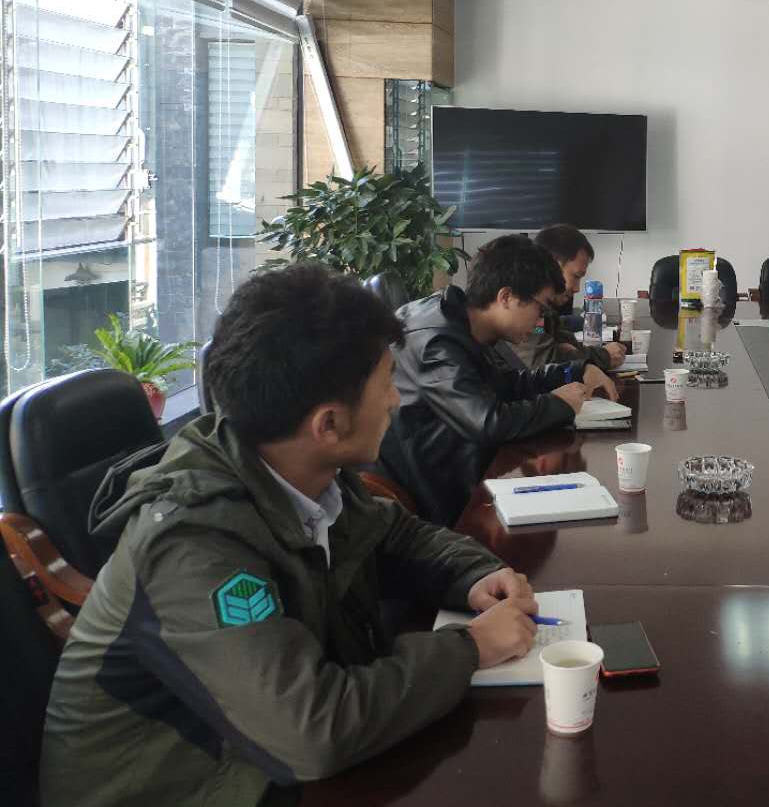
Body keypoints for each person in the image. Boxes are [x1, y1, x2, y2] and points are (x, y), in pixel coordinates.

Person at [41, 265, 541, 806]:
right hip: (193, 787)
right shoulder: (192, 544)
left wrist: (475, 574)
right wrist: (470, 648)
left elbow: (394, 533)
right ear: (328, 424)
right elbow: (312, 732)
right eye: (386, 384)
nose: (397, 401)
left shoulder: (295, 465)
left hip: (259, 760)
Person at [379, 234, 618, 526]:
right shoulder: (438, 340)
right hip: (431, 503)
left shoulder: (466, 323)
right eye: (540, 309)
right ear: (506, 297)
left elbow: (507, 385)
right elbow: (489, 421)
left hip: (457, 471)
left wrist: (575, 371)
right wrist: (559, 404)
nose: (540, 323)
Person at [505, 223, 626, 372]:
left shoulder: (544, 308)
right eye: (576, 276)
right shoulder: (523, 303)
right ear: (551, 266)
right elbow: (542, 362)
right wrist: (603, 357)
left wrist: (567, 350)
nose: (577, 288)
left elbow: (560, 339)